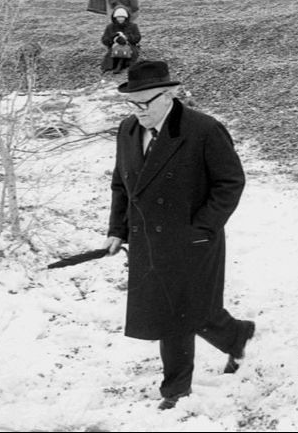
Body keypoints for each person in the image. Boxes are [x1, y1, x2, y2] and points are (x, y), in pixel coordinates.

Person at [103, 60, 255, 411]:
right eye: (132, 103)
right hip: (149, 242)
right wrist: (117, 230)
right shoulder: (127, 131)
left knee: (177, 314)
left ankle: (175, 390)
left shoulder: (203, 130)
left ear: (169, 94)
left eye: (146, 103)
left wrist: (202, 227)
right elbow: (121, 185)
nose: (138, 111)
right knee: (183, 308)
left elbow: (230, 182)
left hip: (194, 239)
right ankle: (237, 335)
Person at [101, 6, 141, 74]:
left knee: (130, 55)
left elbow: (137, 38)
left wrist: (127, 37)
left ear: (126, 17)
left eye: (122, 17)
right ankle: (115, 65)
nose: (120, 19)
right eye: (118, 17)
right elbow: (104, 40)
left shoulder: (133, 26)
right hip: (114, 47)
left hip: (130, 46)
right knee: (111, 59)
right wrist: (114, 38)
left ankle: (123, 64)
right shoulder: (110, 27)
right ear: (114, 17)